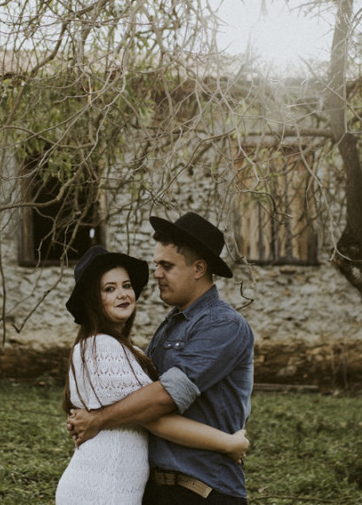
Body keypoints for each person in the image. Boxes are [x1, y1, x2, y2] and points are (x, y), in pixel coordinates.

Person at [67, 212, 255, 505]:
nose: (156, 274)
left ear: (199, 268)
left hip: (204, 490)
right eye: (156, 265)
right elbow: (139, 401)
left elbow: (164, 397)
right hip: (158, 490)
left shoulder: (223, 325)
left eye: (166, 266)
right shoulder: (171, 325)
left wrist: (99, 419)